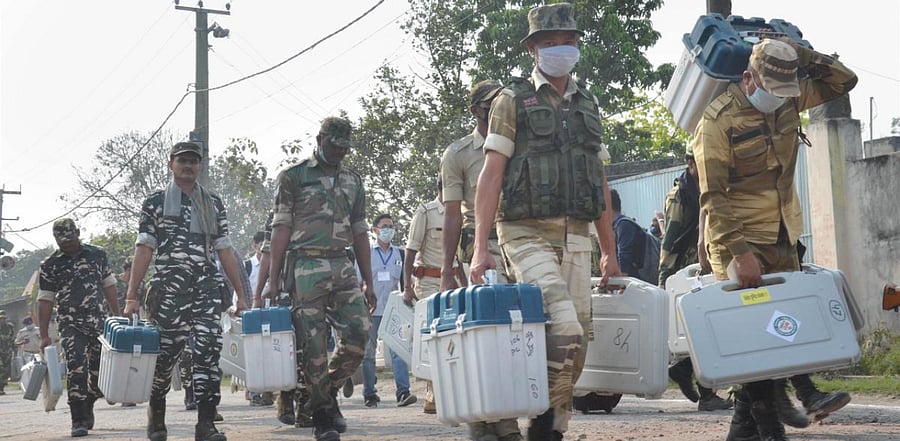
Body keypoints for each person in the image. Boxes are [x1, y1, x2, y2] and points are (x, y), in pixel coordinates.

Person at [469, 4, 622, 440]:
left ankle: (544, 428)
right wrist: (481, 248)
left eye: (568, 41)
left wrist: (610, 253)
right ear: (533, 49)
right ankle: (507, 412)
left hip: (577, 237)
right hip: (525, 232)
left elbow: (600, 184)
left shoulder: (588, 104)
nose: (561, 49)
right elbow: (491, 175)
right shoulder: (512, 100)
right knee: (565, 331)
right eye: (551, 42)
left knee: (577, 348)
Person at [694, 37, 857, 441]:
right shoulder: (717, 121)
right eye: (770, 89)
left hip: (782, 230)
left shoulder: (786, 98)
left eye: (785, 92)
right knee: (756, 338)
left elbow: (843, 82)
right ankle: (781, 420)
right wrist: (740, 253)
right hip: (738, 239)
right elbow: (713, 196)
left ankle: (771, 415)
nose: (780, 99)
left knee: (786, 326)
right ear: (748, 79)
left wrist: (800, 55)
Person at [123, 141, 247, 441]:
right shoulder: (154, 202)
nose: (188, 166)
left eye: (194, 161)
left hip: (205, 288)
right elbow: (144, 248)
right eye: (182, 161)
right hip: (168, 291)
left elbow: (225, 251)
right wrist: (131, 295)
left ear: (200, 166)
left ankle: (206, 424)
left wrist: (242, 294)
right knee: (165, 358)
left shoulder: (213, 203)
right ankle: (157, 417)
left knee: (207, 354)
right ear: (171, 164)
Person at [267, 116, 374, 441]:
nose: (339, 152)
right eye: (333, 146)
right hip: (304, 267)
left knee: (359, 335)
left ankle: (315, 395)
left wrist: (367, 279)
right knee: (312, 345)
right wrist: (273, 279)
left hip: (342, 266)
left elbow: (359, 231)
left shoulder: (353, 180)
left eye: (344, 148)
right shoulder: (294, 177)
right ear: (320, 139)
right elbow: (281, 228)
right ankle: (324, 416)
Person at [439, 78, 522, 441]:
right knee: (481, 334)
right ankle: (481, 421)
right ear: (476, 111)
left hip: (517, 240)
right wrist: (446, 270)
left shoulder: (519, 140)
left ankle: (505, 422)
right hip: (480, 245)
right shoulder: (457, 154)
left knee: (512, 333)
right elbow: (453, 215)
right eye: (491, 104)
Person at [657, 145, 732, 412]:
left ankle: (683, 368)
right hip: (691, 270)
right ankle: (707, 394)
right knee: (706, 330)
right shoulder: (681, 195)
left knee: (708, 329)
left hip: (710, 265)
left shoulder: (708, 187)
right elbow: (670, 242)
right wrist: (665, 280)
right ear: (691, 163)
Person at [36, 218, 120, 437]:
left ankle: (90, 398)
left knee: (101, 373)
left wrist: (118, 315)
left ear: (78, 233)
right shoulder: (49, 265)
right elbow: (45, 300)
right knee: (76, 367)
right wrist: (44, 335)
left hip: (100, 321)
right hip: (70, 324)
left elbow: (109, 285)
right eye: (62, 241)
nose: (67, 244)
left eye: (70, 239)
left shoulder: (97, 254)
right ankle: (78, 419)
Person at [359, 213, 417, 409]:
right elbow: (357, 282)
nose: (388, 230)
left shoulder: (400, 254)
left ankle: (403, 392)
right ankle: (370, 394)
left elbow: (405, 282)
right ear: (375, 230)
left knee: (398, 351)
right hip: (371, 310)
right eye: (384, 226)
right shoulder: (365, 253)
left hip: (394, 310)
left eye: (391, 226)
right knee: (368, 354)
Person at [609, 189, 645, 279]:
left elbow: (624, 254)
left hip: (635, 279)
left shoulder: (623, 225)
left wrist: (621, 282)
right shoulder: (616, 225)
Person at [0, 310, 15, 395]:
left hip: (7, 352)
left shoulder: (10, 327)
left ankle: (1, 387)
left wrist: (14, 349)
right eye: (1, 318)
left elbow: (12, 339)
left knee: (6, 370)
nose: (2, 320)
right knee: (0, 368)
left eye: (4, 318)